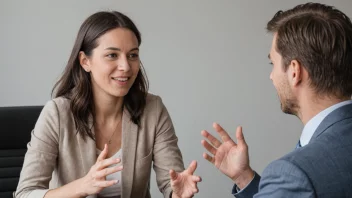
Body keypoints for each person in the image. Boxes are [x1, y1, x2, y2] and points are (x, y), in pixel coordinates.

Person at [15, 11, 201, 198]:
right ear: (85, 61)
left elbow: (173, 184)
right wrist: (81, 187)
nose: (126, 67)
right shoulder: (57, 113)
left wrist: (177, 194)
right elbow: (25, 193)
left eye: (132, 55)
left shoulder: (153, 109)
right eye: (112, 55)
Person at [201, 2, 352, 198]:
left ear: (295, 72)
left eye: (273, 63)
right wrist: (244, 178)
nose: (271, 76)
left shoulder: (293, 174)